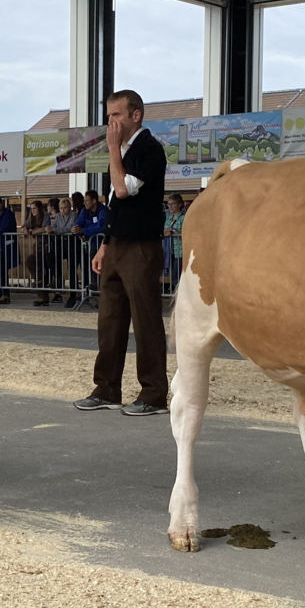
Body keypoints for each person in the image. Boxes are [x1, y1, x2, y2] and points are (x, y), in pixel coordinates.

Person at [74, 91, 169, 416]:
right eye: (108, 116)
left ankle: (154, 394)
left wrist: (114, 149)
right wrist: (105, 243)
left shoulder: (148, 148)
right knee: (110, 321)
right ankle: (107, 388)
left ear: (135, 115)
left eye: (116, 115)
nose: (110, 122)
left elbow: (123, 189)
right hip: (117, 244)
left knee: (145, 321)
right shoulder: (124, 151)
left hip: (141, 245)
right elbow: (115, 205)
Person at [163, 192, 187, 289]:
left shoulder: (184, 217)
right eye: (169, 204)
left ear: (180, 204)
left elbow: (186, 233)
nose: (170, 206)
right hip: (170, 250)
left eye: (173, 204)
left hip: (180, 250)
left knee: (177, 273)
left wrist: (174, 232)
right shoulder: (169, 218)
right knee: (173, 270)